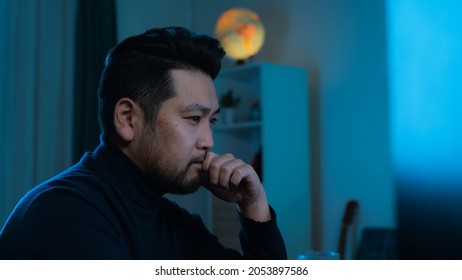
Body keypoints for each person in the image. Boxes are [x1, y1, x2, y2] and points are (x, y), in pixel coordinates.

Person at [0, 26, 287, 259]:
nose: (208, 141)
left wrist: (253, 204)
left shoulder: (174, 223)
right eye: (193, 118)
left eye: (210, 121)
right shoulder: (63, 214)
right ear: (127, 119)